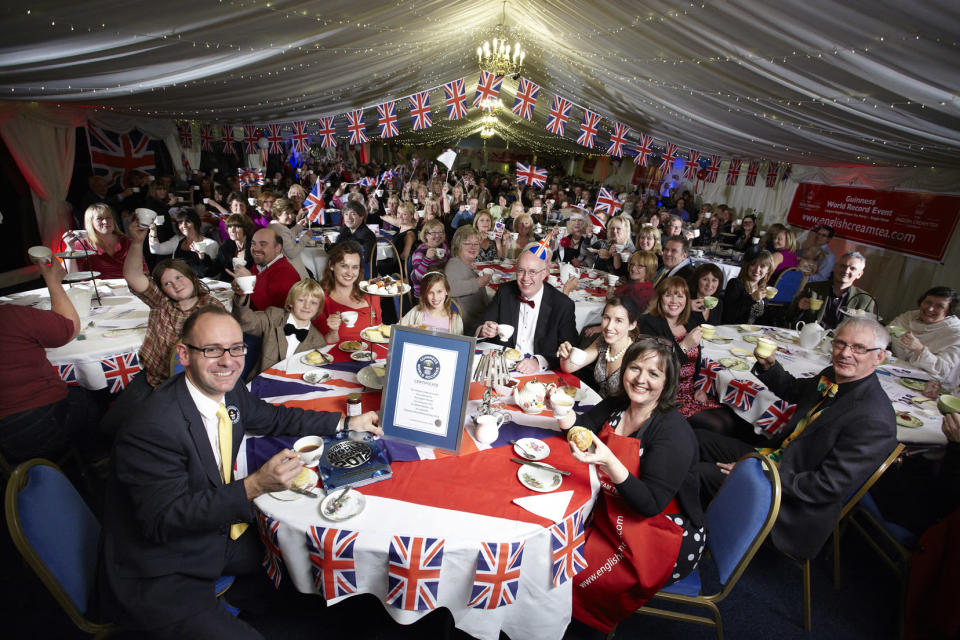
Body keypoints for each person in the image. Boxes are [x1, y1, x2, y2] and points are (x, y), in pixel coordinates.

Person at [98, 307, 382, 639]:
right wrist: (253, 485)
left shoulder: (228, 390)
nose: (228, 361)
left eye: (236, 348)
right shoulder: (150, 428)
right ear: (184, 354)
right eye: (212, 350)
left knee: (302, 565)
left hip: (213, 535)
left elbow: (275, 419)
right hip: (161, 569)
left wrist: (346, 423)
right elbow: (163, 520)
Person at [695, 317, 898, 561]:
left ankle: (687, 541)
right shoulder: (832, 376)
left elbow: (825, 486)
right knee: (696, 439)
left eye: (859, 348)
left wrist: (756, 473)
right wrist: (770, 366)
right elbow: (794, 391)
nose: (845, 353)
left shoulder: (874, 419)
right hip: (774, 459)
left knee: (698, 474)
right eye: (841, 343)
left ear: (879, 357)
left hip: (791, 500)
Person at [560, 338, 704, 635]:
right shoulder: (618, 404)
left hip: (662, 532)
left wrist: (611, 462)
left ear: (668, 382)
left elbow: (650, 504)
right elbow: (582, 430)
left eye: (654, 373)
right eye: (635, 368)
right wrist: (562, 414)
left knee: (569, 573)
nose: (641, 379)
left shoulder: (673, 432)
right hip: (613, 509)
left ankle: (577, 627)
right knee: (554, 551)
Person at [101, 223, 226, 434]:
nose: (175, 285)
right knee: (110, 425)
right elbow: (132, 276)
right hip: (153, 380)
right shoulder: (161, 303)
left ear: (190, 277)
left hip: (191, 387)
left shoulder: (210, 306)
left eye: (179, 277)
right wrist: (138, 242)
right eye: (167, 283)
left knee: (153, 430)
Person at [0, 258, 104, 465]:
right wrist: (53, 280)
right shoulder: (10, 317)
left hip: (5, 447)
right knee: (91, 398)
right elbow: (67, 328)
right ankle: (97, 460)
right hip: (36, 424)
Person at [478, 245, 578, 374]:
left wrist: (539, 362)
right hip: (502, 367)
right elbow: (480, 323)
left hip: (541, 372)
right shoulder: (505, 292)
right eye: (521, 270)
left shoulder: (562, 304)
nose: (525, 278)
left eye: (532, 272)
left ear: (545, 273)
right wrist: (483, 330)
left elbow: (570, 349)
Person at [637, 277, 720, 419]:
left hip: (691, 390)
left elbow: (697, 362)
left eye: (680, 296)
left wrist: (700, 387)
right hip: (667, 394)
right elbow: (657, 368)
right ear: (660, 298)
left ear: (687, 300)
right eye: (668, 295)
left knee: (729, 420)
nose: (674, 301)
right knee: (718, 425)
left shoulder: (689, 321)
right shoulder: (648, 323)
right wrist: (684, 346)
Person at [232, 279, 327, 379]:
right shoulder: (273, 317)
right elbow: (246, 322)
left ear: (318, 308)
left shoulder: (318, 341)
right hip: (261, 383)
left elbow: (313, 375)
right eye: (301, 300)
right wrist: (242, 296)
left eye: (313, 303)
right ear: (290, 302)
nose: (307, 306)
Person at [558, 297, 640, 397]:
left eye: (618, 320)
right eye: (606, 318)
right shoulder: (602, 341)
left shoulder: (636, 356)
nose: (609, 327)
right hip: (599, 405)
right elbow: (570, 367)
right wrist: (565, 356)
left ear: (632, 325)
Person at [314, 242, 381, 344]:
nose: (350, 273)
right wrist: (333, 331)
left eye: (355, 267)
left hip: (373, 355)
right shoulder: (319, 299)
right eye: (344, 266)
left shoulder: (370, 295)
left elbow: (379, 331)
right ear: (331, 265)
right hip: (337, 356)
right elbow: (321, 344)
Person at [888, 286, 960, 381]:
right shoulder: (909, 316)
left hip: (924, 382)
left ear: (949, 311)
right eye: (928, 302)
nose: (930, 309)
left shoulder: (955, 334)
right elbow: (885, 334)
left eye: (939, 306)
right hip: (891, 369)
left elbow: (943, 370)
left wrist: (919, 349)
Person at [792, 251, 876, 330]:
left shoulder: (865, 300)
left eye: (852, 268)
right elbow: (789, 316)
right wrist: (799, 307)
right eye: (843, 266)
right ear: (835, 267)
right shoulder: (813, 288)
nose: (846, 271)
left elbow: (866, 330)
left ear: (859, 274)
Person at [229, 228, 301, 312]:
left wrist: (250, 283)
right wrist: (240, 287)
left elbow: (273, 313)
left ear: (277, 248)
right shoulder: (259, 265)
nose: (255, 248)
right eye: (253, 244)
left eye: (262, 244)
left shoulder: (286, 274)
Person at [66, 203, 143, 279]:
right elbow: (72, 276)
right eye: (99, 218)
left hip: (127, 288)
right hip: (96, 289)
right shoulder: (81, 244)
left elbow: (142, 271)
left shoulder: (127, 242)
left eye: (108, 217)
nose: (105, 222)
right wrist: (70, 248)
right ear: (90, 222)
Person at [444, 225, 490, 334]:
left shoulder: (464, 263)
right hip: (472, 327)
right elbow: (449, 289)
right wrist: (477, 283)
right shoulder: (454, 264)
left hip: (479, 320)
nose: (473, 247)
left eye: (476, 243)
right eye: (467, 243)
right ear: (458, 245)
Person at [149, 208, 219, 278]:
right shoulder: (177, 240)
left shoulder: (210, 244)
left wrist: (202, 256)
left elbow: (210, 273)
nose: (184, 225)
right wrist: (153, 231)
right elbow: (156, 249)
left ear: (196, 223)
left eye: (187, 221)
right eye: (180, 222)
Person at [722, 251, 774, 325]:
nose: (757, 270)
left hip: (754, 333)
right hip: (733, 330)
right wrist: (752, 298)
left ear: (768, 270)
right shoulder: (735, 284)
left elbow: (762, 320)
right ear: (747, 266)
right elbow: (728, 316)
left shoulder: (764, 289)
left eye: (762, 266)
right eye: (753, 264)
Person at [267, 198, 309, 279]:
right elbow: (292, 253)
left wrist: (298, 227)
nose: (291, 216)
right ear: (278, 213)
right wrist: (306, 237)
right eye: (287, 213)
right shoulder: (281, 230)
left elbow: (288, 235)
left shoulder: (274, 226)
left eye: (292, 213)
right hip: (291, 269)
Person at [409, 218, 450, 299]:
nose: (438, 236)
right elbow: (415, 279)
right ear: (426, 235)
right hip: (424, 295)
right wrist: (427, 259)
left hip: (441, 290)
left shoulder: (444, 248)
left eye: (441, 232)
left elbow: (451, 265)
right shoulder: (420, 252)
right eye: (434, 233)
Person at [611, 250, 658, 314]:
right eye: (632, 264)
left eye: (640, 266)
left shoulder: (644, 292)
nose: (633, 268)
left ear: (650, 269)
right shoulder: (633, 284)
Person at [333, 200, 377, 268]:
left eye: (353, 214)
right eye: (346, 214)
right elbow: (337, 249)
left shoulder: (367, 235)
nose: (349, 218)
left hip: (363, 273)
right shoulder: (345, 230)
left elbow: (364, 260)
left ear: (361, 216)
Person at [214, 213, 254, 282]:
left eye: (237, 227)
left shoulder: (254, 247)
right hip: (228, 286)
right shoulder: (226, 245)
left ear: (246, 228)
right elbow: (215, 269)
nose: (232, 230)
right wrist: (202, 257)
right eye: (229, 226)